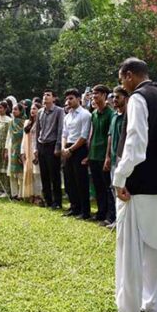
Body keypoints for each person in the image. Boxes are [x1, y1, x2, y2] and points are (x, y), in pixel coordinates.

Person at [107, 58, 157, 312]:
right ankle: (153, 306)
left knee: (130, 252)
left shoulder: (139, 99)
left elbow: (136, 143)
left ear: (129, 75)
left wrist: (120, 177)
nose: (121, 85)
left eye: (120, 79)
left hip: (139, 187)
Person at [61, 89, 92, 219]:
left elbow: (84, 136)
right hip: (68, 148)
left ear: (79, 99)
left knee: (81, 180)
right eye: (67, 99)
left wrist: (71, 149)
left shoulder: (85, 114)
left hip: (79, 149)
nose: (69, 101)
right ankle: (74, 207)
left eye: (71, 98)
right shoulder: (67, 116)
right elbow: (64, 134)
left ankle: (85, 211)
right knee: (69, 180)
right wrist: (64, 148)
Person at [88, 85, 115, 223]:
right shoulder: (93, 113)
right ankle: (100, 212)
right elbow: (91, 134)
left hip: (103, 154)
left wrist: (107, 157)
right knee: (97, 186)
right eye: (93, 94)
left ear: (104, 95)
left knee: (107, 187)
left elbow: (110, 136)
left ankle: (110, 216)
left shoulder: (111, 114)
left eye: (97, 93)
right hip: (93, 154)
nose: (94, 96)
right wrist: (88, 154)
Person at [34, 90, 64, 209]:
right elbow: (37, 131)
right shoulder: (40, 112)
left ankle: (57, 202)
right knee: (44, 174)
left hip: (52, 145)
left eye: (48, 95)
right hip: (42, 145)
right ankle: (48, 200)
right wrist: (36, 147)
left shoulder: (59, 111)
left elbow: (60, 129)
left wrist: (58, 147)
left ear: (54, 98)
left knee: (54, 175)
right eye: (44, 95)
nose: (45, 97)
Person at [103, 86, 128, 228]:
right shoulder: (114, 116)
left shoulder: (129, 115)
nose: (114, 100)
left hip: (124, 159)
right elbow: (110, 137)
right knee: (115, 189)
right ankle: (118, 220)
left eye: (117, 97)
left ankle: (124, 221)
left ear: (125, 97)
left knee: (123, 189)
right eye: (113, 97)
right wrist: (107, 156)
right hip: (113, 159)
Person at [21, 102, 43, 204]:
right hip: (27, 151)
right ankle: (31, 194)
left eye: (35, 109)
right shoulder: (27, 123)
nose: (32, 111)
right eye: (31, 109)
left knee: (37, 174)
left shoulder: (42, 123)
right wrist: (22, 152)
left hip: (36, 151)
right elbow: (23, 139)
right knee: (29, 173)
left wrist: (37, 151)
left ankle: (39, 196)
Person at [6, 103, 27, 198]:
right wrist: (6, 149)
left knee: (21, 173)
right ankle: (14, 193)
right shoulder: (11, 122)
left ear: (21, 111)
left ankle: (21, 194)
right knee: (12, 172)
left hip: (21, 148)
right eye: (13, 109)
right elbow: (9, 136)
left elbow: (23, 136)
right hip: (12, 148)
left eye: (16, 109)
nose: (13, 111)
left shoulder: (24, 122)